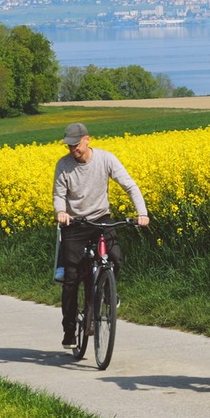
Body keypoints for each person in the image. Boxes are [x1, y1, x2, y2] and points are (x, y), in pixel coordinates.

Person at [52, 122, 149, 347]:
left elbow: (130, 186)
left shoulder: (106, 159)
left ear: (87, 139)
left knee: (115, 257)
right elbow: (59, 194)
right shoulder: (63, 165)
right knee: (71, 279)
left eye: (76, 145)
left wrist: (141, 213)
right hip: (74, 224)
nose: (72, 149)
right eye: (68, 146)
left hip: (101, 220)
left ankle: (106, 295)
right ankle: (69, 329)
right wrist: (61, 212)